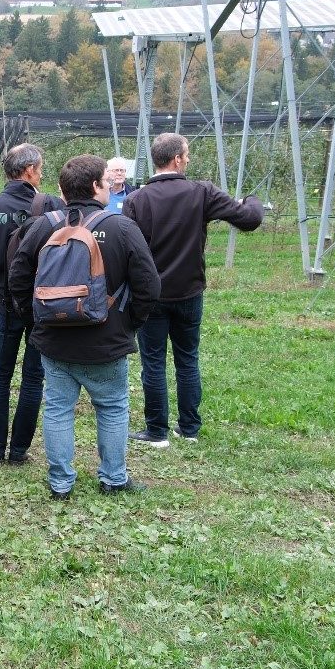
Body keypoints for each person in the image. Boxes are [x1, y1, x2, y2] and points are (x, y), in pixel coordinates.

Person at [6, 154, 160, 500]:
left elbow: (17, 277)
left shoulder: (43, 226)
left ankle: (61, 482)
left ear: (63, 189)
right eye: (106, 182)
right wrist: (129, 322)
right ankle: (113, 478)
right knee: (113, 406)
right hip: (106, 339)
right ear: (95, 186)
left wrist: (36, 321)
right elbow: (149, 284)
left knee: (58, 408)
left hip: (54, 341)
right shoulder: (121, 228)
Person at [123, 133, 264, 446]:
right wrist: (251, 200)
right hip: (189, 293)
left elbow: (126, 252)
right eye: (186, 155)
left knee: (154, 362)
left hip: (151, 296)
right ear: (176, 159)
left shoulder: (136, 200)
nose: (188, 160)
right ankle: (188, 428)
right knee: (187, 360)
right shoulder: (202, 192)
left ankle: (156, 431)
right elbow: (249, 219)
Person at [0, 143, 64, 465]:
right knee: (34, 377)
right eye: (41, 167)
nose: (42, 172)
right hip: (41, 307)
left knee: (0, 374)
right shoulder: (53, 207)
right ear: (30, 170)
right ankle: (19, 452)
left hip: (5, 305)